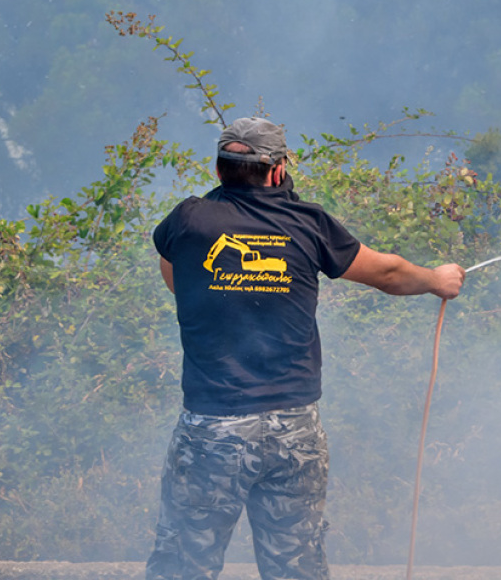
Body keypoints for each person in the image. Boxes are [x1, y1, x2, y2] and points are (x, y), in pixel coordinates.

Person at [146, 116, 464, 580]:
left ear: (218, 171)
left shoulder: (188, 220)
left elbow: (176, 278)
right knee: (296, 568)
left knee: (182, 566)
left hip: (213, 430)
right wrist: (437, 279)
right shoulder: (308, 223)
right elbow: (388, 274)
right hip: (294, 430)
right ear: (277, 171)